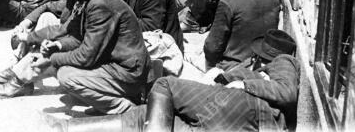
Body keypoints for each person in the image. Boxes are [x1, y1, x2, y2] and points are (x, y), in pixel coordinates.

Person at [0, 0, 151, 117]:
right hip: (112, 64)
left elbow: (87, 57)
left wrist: (52, 58)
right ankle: (20, 80)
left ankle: (126, 108)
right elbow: (75, 36)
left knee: (66, 76)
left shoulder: (100, 5)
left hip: (127, 73)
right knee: (56, 55)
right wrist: (57, 46)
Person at [78, 29, 299, 132]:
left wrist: (244, 83)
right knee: (147, 116)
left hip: (247, 108)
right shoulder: (258, 69)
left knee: (165, 85)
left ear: (260, 56)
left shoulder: (283, 61)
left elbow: (288, 92)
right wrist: (221, 77)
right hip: (235, 115)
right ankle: (63, 127)